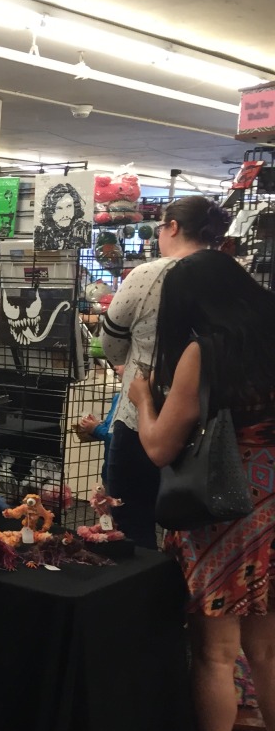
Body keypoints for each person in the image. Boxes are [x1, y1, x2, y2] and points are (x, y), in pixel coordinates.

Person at [127, 249, 275, 731]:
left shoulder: (204, 351)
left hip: (224, 514)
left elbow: (160, 445)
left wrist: (143, 399)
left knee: (215, 654)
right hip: (273, 509)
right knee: (267, 650)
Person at [99, 196, 230, 547]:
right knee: (198, 526)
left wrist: (129, 363)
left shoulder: (148, 274)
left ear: (172, 227)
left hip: (144, 415)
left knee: (131, 523)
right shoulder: (229, 274)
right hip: (212, 421)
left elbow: (110, 343)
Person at [33, 181, 93, 251]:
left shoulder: (86, 230)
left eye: (69, 206)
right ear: (50, 211)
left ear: (75, 207)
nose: (65, 214)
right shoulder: (40, 234)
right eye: (59, 208)